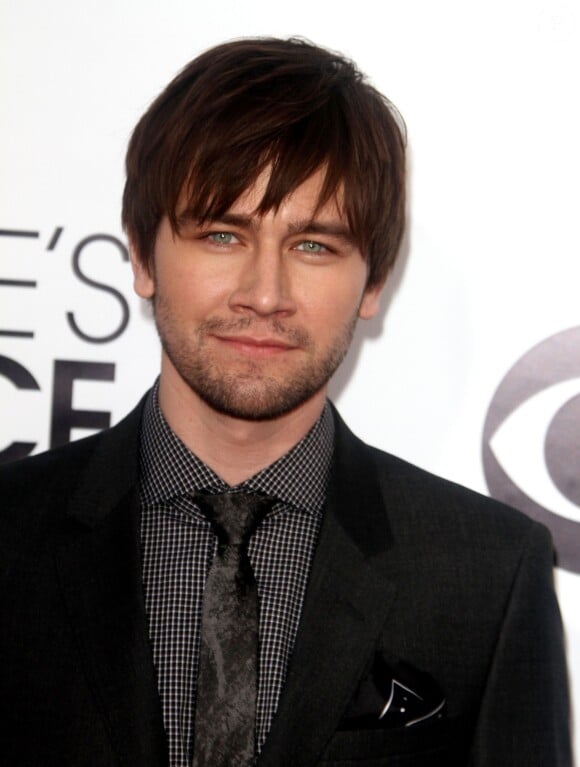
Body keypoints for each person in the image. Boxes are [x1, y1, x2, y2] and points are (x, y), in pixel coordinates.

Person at [0, 37, 571, 767]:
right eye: (220, 233)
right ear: (142, 256)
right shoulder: (10, 537)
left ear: (374, 283)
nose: (264, 293)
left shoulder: (488, 575)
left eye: (313, 246)